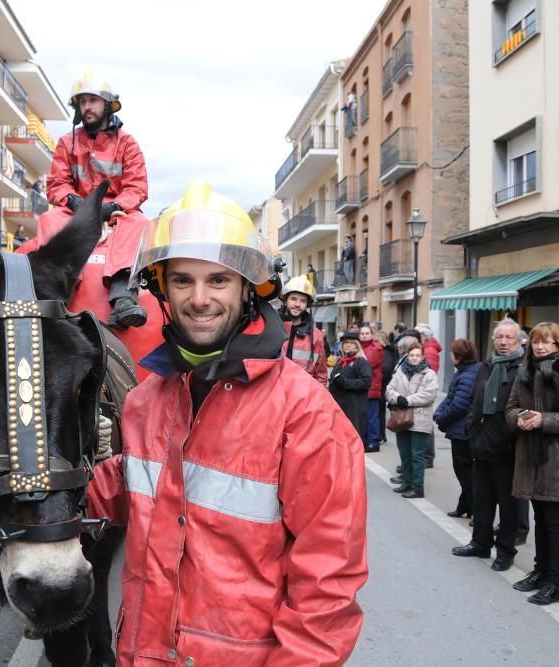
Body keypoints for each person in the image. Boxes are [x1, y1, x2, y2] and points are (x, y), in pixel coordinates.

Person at [87, 180, 368, 665]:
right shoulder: (143, 402)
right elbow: (119, 488)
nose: (200, 298)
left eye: (217, 280)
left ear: (247, 288)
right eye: (182, 281)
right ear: (161, 291)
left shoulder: (306, 414)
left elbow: (327, 587)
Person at [16, 73, 150, 330]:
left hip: (117, 210)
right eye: (82, 101)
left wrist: (115, 207)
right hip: (76, 209)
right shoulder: (68, 142)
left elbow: (137, 186)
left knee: (138, 221)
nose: (86, 106)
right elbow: (57, 183)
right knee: (49, 218)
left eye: (93, 100)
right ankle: (55, 288)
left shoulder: (128, 143)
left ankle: (122, 295)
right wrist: (76, 203)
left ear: (108, 104)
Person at [505, 322, 559, 605]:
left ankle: (556, 581)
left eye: (547, 342)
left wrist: (545, 419)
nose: (540, 347)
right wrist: (519, 417)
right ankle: (540, 572)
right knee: (539, 517)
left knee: (553, 520)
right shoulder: (524, 374)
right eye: (536, 341)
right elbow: (510, 408)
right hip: (531, 455)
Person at [452, 320, 527, 571]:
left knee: (508, 506)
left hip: (508, 448)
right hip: (482, 444)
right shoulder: (488, 365)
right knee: (482, 499)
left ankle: (505, 551)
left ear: (518, 342)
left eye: (509, 338)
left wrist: (510, 437)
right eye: (500, 337)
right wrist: (472, 430)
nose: (504, 342)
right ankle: (480, 543)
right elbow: (475, 399)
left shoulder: (524, 369)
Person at [434, 339, 481, 520]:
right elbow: (450, 398)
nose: (450, 356)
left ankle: (476, 511)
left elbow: (459, 405)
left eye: (453, 353)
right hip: (464, 430)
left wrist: (442, 418)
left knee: (465, 473)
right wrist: (439, 413)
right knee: (466, 472)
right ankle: (465, 506)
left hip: (464, 431)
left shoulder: (468, 375)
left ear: (459, 356)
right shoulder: (465, 372)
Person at [386, 340, 439, 499]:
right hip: (401, 418)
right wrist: (397, 398)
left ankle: (418, 487)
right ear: (407, 356)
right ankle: (407, 482)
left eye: (418, 355)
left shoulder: (429, 374)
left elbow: (429, 395)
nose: (415, 358)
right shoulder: (400, 371)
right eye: (412, 355)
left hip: (420, 419)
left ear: (422, 357)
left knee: (417, 455)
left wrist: (407, 400)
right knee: (405, 453)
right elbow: (389, 390)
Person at [277, 275, 327, 384]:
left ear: (307, 305)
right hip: (274, 395)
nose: (297, 304)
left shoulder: (316, 335)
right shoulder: (272, 327)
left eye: (303, 301)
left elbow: (320, 375)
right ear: (285, 300)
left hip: (302, 397)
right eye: (293, 299)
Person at [329, 331, 373, 447]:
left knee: (352, 441)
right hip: (339, 406)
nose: (348, 345)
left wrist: (345, 383)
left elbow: (366, 382)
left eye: (352, 343)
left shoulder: (361, 362)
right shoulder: (340, 362)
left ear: (357, 345)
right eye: (345, 343)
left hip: (354, 407)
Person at [359, 324, 384, 452]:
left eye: (367, 333)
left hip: (372, 387)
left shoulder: (376, 348)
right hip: (363, 388)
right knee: (364, 417)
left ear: (371, 334)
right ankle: (366, 440)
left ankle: (374, 442)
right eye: (362, 333)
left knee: (372, 418)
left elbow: (367, 364)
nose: (364, 336)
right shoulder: (360, 347)